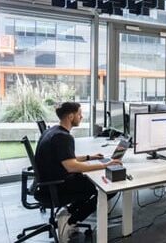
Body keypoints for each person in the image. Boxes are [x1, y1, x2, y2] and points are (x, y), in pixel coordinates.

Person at [34, 102, 121, 243]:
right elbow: (72, 167)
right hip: (57, 186)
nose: (81, 117)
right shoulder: (63, 137)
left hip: (49, 183)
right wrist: (105, 166)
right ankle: (71, 221)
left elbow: (66, 158)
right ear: (70, 116)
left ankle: (67, 213)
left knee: (90, 180)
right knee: (108, 187)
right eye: (79, 114)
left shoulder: (53, 131)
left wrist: (89, 157)